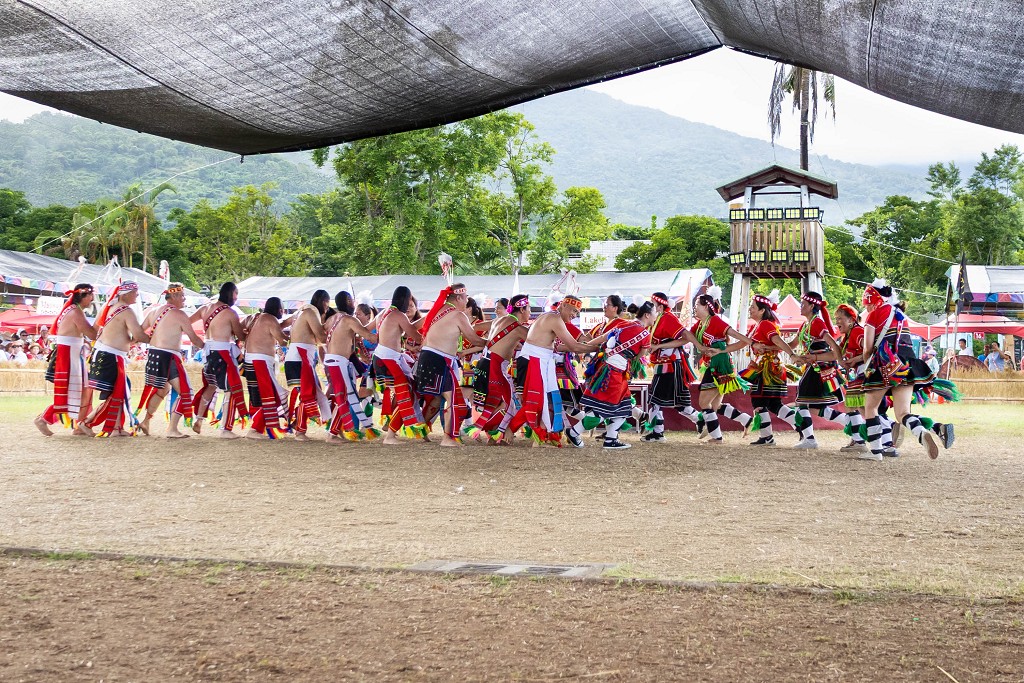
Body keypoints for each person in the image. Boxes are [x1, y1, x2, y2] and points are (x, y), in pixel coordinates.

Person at [859, 279, 954, 461]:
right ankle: (921, 433)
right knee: (902, 412)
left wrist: (867, 366)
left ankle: (876, 452)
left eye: (868, 304)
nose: (867, 307)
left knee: (870, 408)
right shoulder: (899, 314)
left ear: (874, 299)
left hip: (884, 365)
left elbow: (868, 347)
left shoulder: (874, 315)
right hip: (907, 365)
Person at [508, 294, 606, 446]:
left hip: (540, 360)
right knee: (536, 401)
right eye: (573, 311)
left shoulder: (552, 317)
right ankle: (508, 430)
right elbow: (574, 346)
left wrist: (596, 347)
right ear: (564, 305)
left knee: (550, 400)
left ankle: (542, 433)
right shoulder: (555, 319)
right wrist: (600, 348)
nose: (574, 315)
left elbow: (559, 346)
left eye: (577, 313)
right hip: (534, 360)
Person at [414, 283, 486, 447]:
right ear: (459, 297)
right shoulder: (458, 315)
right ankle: (448, 438)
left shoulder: (438, 310)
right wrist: (491, 343)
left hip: (428, 357)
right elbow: (474, 339)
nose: (467, 301)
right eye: (466, 298)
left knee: (437, 398)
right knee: (454, 398)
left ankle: (422, 432)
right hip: (438, 359)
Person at [580, 302, 655, 450]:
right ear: (647, 315)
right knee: (604, 408)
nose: (656, 317)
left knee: (623, 405)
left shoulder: (623, 324)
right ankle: (575, 431)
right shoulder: (645, 335)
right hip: (616, 372)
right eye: (655, 314)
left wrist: (581, 347)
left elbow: (602, 338)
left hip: (604, 367)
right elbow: (638, 358)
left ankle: (611, 438)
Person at [137, 283, 206, 438]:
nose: (184, 299)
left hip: (153, 355)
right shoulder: (180, 315)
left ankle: (146, 421)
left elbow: (139, 331)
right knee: (186, 391)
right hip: (168, 357)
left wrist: (149, 341)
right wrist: (208, 347)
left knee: (162, 390)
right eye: (182, 295)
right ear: (173, 296)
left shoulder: (153, 311)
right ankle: (172, 429)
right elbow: (194, 339)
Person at [84, 281, 150, 437]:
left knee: (120, 389)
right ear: (125, 294)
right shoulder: (126, 311)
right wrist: (156, 338)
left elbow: (99, 331)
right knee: (117, 391)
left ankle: (115, 428)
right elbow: (139, 335)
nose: (137, 295)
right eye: (135, 292)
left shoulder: (107, 307)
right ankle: (87, 422)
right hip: (110, 356)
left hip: (105, 353)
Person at [464, 294, 530, 444]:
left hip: (483, 363)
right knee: (509, 404)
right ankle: (493, 431)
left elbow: (476, 327)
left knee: (495, 403)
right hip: (496, 365)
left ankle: (493, 436)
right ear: (522, 309)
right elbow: (539, 342)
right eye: (529, 309)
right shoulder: (519, 328)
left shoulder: (498, 320)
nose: (530, 312)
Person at [691, 286, 753, 443]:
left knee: (704, 402)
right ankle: (745, 419)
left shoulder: (716, 321)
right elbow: (686, 336)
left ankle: (716, 436)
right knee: (716, 405)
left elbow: (743, 340)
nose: (694, 308)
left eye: (697, 305)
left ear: (706, 306)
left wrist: (722, 351)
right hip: (714, 364)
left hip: (720, 365)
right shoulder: (699, 325)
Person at [34, 284, 97, 436]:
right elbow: (92, 333)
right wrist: (101, 321)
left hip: (71, 353)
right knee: (74, 392)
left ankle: (79, 425)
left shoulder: (72, 310)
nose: (92, 300)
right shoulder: (75, 311)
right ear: (83, 296)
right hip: (69, 354)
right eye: (91, 296)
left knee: (82, 391)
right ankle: (46, 418)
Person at [786, 291, 846, 450]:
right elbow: (792, 344)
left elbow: (833, 343)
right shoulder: (805, 325)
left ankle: (810, 439)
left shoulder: (817, 323)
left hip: (819, 370)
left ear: (812, 306)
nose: (801, 306)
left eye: (803, 304)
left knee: (802, 403)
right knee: (815, 407)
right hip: (814, 368)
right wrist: (771, 345)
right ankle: (852, 423)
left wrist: (838, 360)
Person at [739, 290, 799, 447]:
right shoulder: (761, 325)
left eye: (753, 307)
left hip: (767, 368)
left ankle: (770, 436)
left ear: (762, 310)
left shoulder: (765, 324)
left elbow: (777, 341)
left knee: (759, 400)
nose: (750, 309)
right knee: (773, 404)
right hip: (767, 367)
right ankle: (800, 427)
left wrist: (791, 354)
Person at [642, 291, 701, 442]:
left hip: (671, 365)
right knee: (677, 403)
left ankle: (657, 433)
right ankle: (701, 420)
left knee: (655, 400)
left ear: (660, 306)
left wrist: (659, 345)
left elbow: (684, 337)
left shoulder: (668, 318)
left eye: (653, 305)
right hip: (664, 364)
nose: (651, 308)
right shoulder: (659, 319)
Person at [191, 282, 248, 438]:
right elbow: (240, 335)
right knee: (232, 389)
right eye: (236, 294)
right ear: (230, 293)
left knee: (210, 386)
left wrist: (198, 341)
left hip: (207, 352)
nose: (236, 298)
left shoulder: (204, 308)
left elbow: (186, 322)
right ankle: (225, 429)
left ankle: (199, 419)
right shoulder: (230, 313)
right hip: (222, 354)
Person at [373, 286, 428, 443]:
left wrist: (427, 319)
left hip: (385, 358)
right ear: (405, 299)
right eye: (410, 299)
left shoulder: (384, 313)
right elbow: (415, 335)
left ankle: (392, 431)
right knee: (407, 394)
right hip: (389, 359)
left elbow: (408, 328)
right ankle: (390, 435)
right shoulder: (399, 314)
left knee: (407, 393)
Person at [323, 291, 379, 442]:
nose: (354, 305)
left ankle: (335, 431)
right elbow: (370, 337)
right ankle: (332, 434)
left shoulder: (331, 319)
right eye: (352, 302)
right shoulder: (348, 319)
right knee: (345, 398)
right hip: (338, 362)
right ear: (348, 301)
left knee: (344, 397)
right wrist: (388, 331)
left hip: (331, 360)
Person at [243, 298, 293, 439]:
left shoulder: (254, 317)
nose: (282, 312)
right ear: (278, 309)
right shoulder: (270, 319)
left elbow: (240, 331)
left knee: (261, 397)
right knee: (272, 397)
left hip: (250, 360)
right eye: (282, 309)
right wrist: (296, 338)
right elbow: (282, 339)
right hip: (261, 362)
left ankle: (259, 427)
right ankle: (254, 429)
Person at [285, 290, 331, 440]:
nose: (328, 307)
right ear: (324, 302)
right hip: (300, 358)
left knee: (315, 393)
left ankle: (297, 424)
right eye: (327, 304)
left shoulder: (301, 311)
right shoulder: (310, 312)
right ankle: (299, 430)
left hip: (299, 357)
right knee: (309, 394)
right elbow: (321, 337)